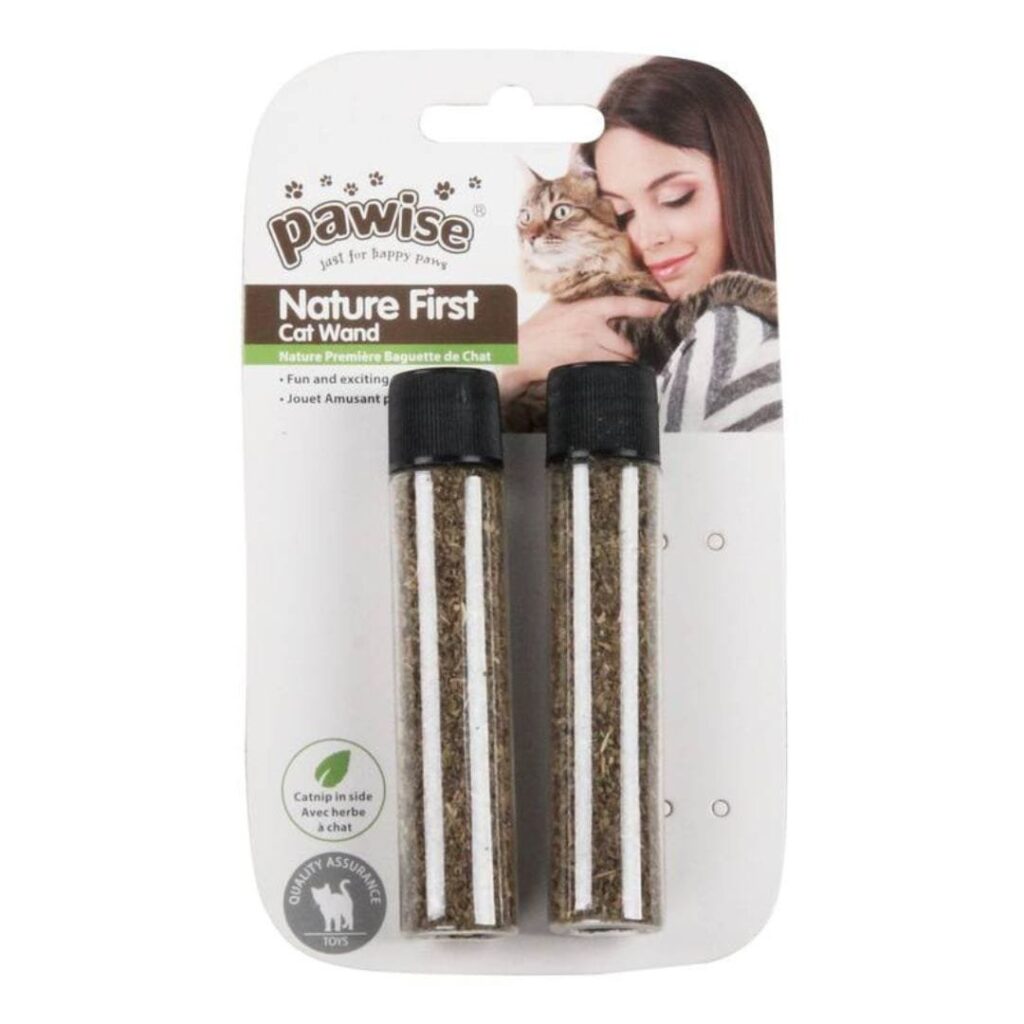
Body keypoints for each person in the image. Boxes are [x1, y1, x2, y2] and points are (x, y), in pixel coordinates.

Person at [501, 57, 780, 432]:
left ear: (741, 176)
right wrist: (511, 366)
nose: (647, 238)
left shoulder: (731, 331)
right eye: (623, 213)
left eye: (675, 198)